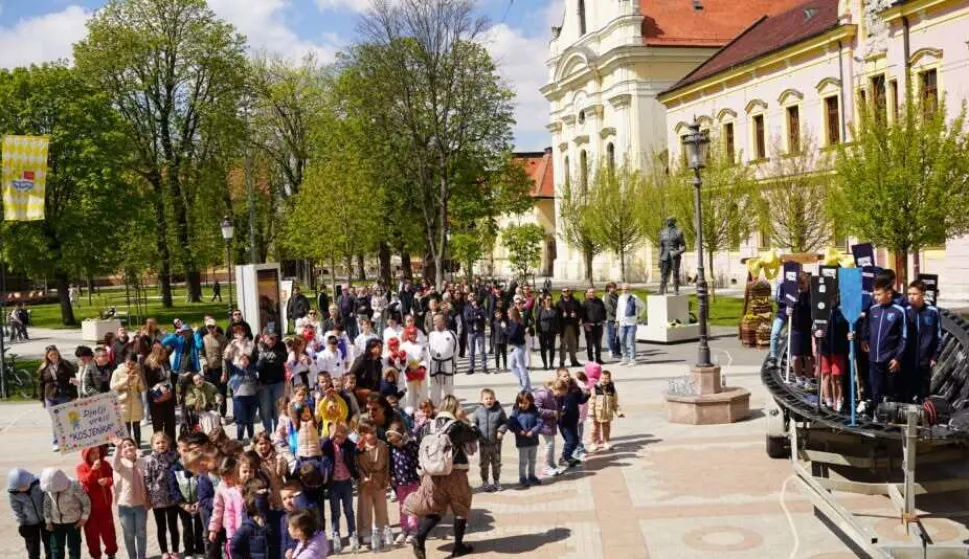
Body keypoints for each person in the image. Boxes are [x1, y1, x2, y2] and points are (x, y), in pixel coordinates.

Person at [404, 395, 480, 559]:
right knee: (461, 507)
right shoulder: (456, 426)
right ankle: (458, 546)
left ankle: (420, 537)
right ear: (455, 408)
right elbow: (476, 434)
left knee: (436, 508)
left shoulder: (427, 426)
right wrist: (467, 420)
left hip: (431, 474)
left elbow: (419, 444)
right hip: (454, 472)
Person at [859, 277, 908, 414]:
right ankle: (876, 415)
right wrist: (863, 339)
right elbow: (866, 326)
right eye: (875, 294)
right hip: (874, 359)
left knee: (892, 391)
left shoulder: (899, 311)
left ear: (889, 294)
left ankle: (892, 419)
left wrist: (898, 358)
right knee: (876, 390)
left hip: (890, 360)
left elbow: (904, 337)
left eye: (879, 294)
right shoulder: (873, 309)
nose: (876, 297)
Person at [355, 419, 392, 552]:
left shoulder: (382, 445)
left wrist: (387, 479)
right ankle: (365, 532)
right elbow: (356, 465)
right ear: (363, 434)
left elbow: (387, 464)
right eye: (370, 433)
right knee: (365, 507)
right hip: (365, 481)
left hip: (379, 479)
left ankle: (381, 530)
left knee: (381, 506)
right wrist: (362, 477)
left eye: (375, 431)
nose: (374, 435)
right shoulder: (359, 448)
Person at [111, 437, 150, 559]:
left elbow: (148, 480)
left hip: (141, 505)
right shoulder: (120, 463)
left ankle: (142, 556)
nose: (128, 447)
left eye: (130, 445)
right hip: (125, 506)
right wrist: (117, 447)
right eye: (124, 446)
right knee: (128, 534)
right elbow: (114, 462)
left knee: (141, 532)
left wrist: (148, 500)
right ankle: (132, 556)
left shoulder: (142, 462)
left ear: (135, 446)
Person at [75, 447, 118, 559]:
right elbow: (84, 481)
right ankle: (95, 555)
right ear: (86, 454)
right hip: (89, 510)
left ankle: (111, 553)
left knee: (109, 533)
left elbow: (112, 478)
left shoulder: (105, 464)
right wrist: (93, 470)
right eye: (92, 453)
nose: (96, 455)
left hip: (105, 507)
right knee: (92, 535)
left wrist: (107, 481)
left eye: (97, 452)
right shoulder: (81, 468)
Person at [322, 423, 358, 553]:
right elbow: (322, 445)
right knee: (335, 512)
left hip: (346, 482)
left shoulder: (347, 445)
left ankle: (352, 534)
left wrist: (346, 434)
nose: (340, 438)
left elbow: (356, 448)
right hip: (334, 484)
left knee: (349, 510)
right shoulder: (328, 446)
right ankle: (336, 534)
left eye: (342, 435)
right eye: (336, 435)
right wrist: (331, 436)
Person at [144, 432, 181, 559]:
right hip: (157, 499)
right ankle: (164, 551)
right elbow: (147, 479)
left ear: (168, 443)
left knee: (173, 525)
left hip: (172, 497)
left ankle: (175, 550)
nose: (161, 445)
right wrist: (151, 493)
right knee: (161, 527)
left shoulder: (174, 456)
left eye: (163, 442)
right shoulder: (148, 460)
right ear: (152, 445)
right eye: (158, 442)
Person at [40, 467, 90, 559]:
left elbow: (86, 501)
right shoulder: (48, 487)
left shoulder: (74, 485)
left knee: (74, 548)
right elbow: (46, 504)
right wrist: (48, 521)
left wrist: (84, 518)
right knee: (56, 549)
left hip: (73, 523)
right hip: (56, 523)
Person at [905, 280, 942, 403]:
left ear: (923, 294)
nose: (911, 296)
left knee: (923, 392)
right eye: (909, 293)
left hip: (925, 360)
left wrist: (934, 357)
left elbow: (938, 336)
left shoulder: (932, 312)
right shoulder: (905, 312)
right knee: (907, 391)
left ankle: (923, 416)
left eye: (914, 294)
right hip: (908, 359)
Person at [168, 438, 205, 559]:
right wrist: (182, 504)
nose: (187, 453)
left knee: (200, 527)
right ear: (178, 450)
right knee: (187, 528)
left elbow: (203, 484)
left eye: (189, 450)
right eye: (184, 450)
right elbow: (173, 487)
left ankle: (200, 550)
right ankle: (189, 552)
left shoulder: (198, 465)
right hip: (184, 504)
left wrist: (200, 500)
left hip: (198, 503)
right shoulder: (174, 467)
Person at [386, 423, 420, 545]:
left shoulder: (411, 446)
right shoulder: (392, 449)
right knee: (402, 507)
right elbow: (391, 464)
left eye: (396, 441)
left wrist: (407, 444)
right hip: (400, 483)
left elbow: (417, 459)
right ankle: (404, 529)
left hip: (412, 481)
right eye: (392, 442)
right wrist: (391, 476)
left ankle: (413, 530)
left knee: (413, 507)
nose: (395, 444)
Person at [39, 345, 78, 451]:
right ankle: (56, 442)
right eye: (51, 355)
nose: (53, 356)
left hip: (64, 395)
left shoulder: (65, 365)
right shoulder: (44, 367)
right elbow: (41, 384)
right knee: (56, 421)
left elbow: (73, 380)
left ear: (58, 354)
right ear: (47, 356)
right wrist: (42, 399)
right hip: (50, 396)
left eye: (55, 354)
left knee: (65, 419)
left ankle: (70, 440)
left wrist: (74, 395)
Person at [815, 294, 849, 412]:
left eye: (832, 300)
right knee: (826, 376)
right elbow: (814, 328)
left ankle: (838, 400)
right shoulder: (819, 313)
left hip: (837, 351)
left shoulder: (840, 313)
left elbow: (847, 329)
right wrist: (816, 333)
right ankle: (828, 400)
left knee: (837, 377)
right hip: (824, 350)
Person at [8, 468, 51, 559]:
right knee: (32, 548)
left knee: (49, 543)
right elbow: (16, 509)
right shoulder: (14, 493)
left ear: (29, 480)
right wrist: (21, 523)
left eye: (24, 486)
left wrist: (49, 516)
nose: (22, 489)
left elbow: (47, 499)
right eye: (19, 488)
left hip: (45, 519)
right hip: (29, 523)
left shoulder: (39, 484)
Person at [472, 388, 507, 492]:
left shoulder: (499, 410)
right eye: (486, 398)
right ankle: (485, 482)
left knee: (496, 463)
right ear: (482, 400)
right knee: (484, 464)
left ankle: (496, 481)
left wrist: (501, 431)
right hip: (483, 443)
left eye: (491, 398)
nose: (489, 400)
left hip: (496, 443)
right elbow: (474, 423)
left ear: (494, 399)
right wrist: (475, 432)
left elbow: (505, 422)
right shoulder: (478, 411)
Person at [208, 456, 244, 558]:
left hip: (245, 527)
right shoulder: (221, 486)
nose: (226, 480)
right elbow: (217, 509)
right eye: (223, 477)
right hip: (230, 529)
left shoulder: (243, 486)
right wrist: (214, 529)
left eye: (229, 476)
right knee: (231, 552)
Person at [508, 390, 543, 488]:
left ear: (530, 402)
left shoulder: (535, 411)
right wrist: (519, 431)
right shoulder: (516, 412)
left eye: (525, 403)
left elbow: (540, 423)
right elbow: (510, 424)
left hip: (533, 441)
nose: (522, 405)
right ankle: (522, 477)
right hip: (522, 442)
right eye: (520, 403)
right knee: (523, 461)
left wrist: (533, 431)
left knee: (533, 460)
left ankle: (532, 475)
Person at [228, 478, 271, 559]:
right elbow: (233, 546)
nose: (265, 497)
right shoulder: (248, 526)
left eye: (266, 494)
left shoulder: (272, 519)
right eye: (262, 494)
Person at [144, 343, 178, 444]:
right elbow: (149, 383)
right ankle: (158, 444)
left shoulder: (165, 361)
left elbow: (170, 376)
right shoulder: (149, 364)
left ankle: (171, 444)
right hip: (156, 395)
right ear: (158, 352)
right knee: (158, 423)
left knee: (170, 422)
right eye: (163, 352)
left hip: (169, 394)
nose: (165, 354)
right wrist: (160, 389)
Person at [255, 329, 287, 433]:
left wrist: (273, 351)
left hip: (278, 382)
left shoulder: (280, 345)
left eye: (275, 338)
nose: (273, 340)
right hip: (264, 383)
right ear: (264, 337)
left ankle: (279, 432)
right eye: (270, 338)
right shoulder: (258, 347)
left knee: (278, 408)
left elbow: (284, 359)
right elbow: (256, 366)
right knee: (265, 410)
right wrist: (262, 355)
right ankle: (267, 432)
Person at [553, 377, 590, 468]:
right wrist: (560, 414)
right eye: (563, 376)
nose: (566, 378)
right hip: (564, 423)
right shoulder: (558, 395)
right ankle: (564, 458)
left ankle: (568, 456)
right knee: (570, 441)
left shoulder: (574, 390)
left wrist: (586, 395)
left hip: (573, 420)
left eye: (567, 375)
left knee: (575, 440)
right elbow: (555, 408)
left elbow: (580, 400)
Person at [111, 353, 146, 447]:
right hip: (123, 402)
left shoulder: (137, 371)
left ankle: (138, 446)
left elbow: (142, 389)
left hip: (135, 402)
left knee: (137, 425)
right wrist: (125, 380)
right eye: (128, 363)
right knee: (126, 427)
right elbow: (113, 387)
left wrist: (138, 380)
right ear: (124, 362)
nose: (130, 366)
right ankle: (127, 446)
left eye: (133, 364)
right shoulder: (117, 372)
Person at [788, 272, 815, 389]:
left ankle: (808, 380)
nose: (802, 286)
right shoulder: (793, 295)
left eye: (804, 283)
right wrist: (788, 310)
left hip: (808, 328)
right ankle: (799, 379)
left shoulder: (811, 295)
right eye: (800, 284)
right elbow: (786, 305)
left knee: (808, 356)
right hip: (796, 328)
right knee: (796, 356)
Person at [200, 318, 229, 419]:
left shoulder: (223, 339)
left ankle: (222, 415)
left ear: (216, 327)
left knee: (222, 392)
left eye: (213, 327)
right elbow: (201, 354)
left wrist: (224, 373)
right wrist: (204, 364)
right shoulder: (204, 339)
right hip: (209, 370)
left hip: (220, 369)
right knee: (210, 393)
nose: (211, 329)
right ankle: (213, 413)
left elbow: (225, 357)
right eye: (208, 327)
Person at [427, 314, 458, 406]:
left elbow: (456, 349)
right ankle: (435, 406)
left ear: (443, 321)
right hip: (434, 364)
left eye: (436, 320)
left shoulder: (451, 334)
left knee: (448, 387)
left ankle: (449, 407)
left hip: (447, 363)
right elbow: (428, 350)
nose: (434, 323)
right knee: (434, 387)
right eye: (434, 321)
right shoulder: (431, 334)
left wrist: (455, 363)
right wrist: (429, 364)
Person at [533, 379, 561, 478]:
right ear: (555, 388)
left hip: (550, 423)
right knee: (549, 445)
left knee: (551, 444)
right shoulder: (542, 394)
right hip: (544, 423)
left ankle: (551, 464)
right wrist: (552, 413)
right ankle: (545, 468)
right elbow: (537, 410)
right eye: (559, 393)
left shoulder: (551, 394)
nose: (559, 395)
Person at [589, 369, 623, 451]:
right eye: (602, 378)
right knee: (594, 429)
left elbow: (614, 402)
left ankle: (606, 442)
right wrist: (591, 412)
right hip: (596, 413)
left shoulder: (611, 389)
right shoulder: (595, 388)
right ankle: (593, 443)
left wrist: (619, 412)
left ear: (610, 379)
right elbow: (591, 401)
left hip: (607, 413)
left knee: (606, 428)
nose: (604, 380)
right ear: (599, 379)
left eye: (607, 378)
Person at [615, 284, 644, 366]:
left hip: (631, 323)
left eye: (626, 289)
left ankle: (633, 359)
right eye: (623, 289)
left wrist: (639, 316)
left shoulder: (634, 297)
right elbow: (618, 310)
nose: (625, 290)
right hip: (622, 323)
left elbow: (643, 306)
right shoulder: (620, 298)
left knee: (630, 341)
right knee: (622, 341)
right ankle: (625, 357)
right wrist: (617, 320)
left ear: (629, 289)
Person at [555, 288, 582, 368]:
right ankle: (562, 361)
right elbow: (556, 316)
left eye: (567, 291)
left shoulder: (575, 301)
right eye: (564, 291)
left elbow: (580, 312)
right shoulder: (558, 303)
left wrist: (576, 315)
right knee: (562, 345)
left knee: (573, 344)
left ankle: (573, 360)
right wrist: (561, 316)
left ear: (570, 292)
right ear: (562, 293)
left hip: (573, 326)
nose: (566, 292)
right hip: (563, 327)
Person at [505, 308, 531, 391]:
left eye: (509, 313)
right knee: (512, 365)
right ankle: (523, 382)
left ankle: (526, 387)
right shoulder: (513, 322)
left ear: (513, 314)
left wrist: (504, 328)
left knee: (521, 366)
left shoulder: (517, 323)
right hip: (516, 346)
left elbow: (512, 335)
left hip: (520, 347)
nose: (508, 315)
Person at [582, 288, 607, 365]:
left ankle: (598, 359)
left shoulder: (600, 301)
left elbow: (604, 311)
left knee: (598, 344)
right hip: (589, 326)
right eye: (590, 292)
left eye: (593, 292)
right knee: (589, 344)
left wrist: (603, 320)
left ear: (595, 293)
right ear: (588, 293)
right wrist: (585, 324)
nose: (592, 293)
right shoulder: (585, 303)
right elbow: (583, 315)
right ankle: (590, 359)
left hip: (599, 326)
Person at [464, 297, 488, 374]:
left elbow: (484, 315)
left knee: (482, 350)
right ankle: (471, 367)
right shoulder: (467, 308)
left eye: (475, 301)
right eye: (473, 301)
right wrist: (476, 317)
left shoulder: (481, 308)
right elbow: (467, 319)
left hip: (480, 331)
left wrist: (477, 311)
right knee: (471, 351)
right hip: (471, 332)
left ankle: (484, 367)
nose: (474, 302)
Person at [536, 295, 559, 371]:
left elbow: (557, 321)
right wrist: (538, 331)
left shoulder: (554, 309)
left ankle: (551, 364)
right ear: (544, 300)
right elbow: (537, 321)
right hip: (543, 332)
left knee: (552, 348)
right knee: (543, 348)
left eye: (550, 299)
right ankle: (545, 364)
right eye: (548, 299)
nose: (549, 300)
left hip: (552, 331)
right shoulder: (540, 309)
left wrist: (558, 331)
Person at [603, 283, 620, 360]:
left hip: (618, 318)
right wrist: (617, 314)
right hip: (611, 319)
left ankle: (617, 351)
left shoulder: (616, 295)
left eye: (615, 287)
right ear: (608, 288)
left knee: (618, 336)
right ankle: (611, 350)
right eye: (612, 287)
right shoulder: (607, 296)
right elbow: (609, 308)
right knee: (612, 335)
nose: (614, 289)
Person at [491, 300, 508, 371]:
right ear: (495, 315)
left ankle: (505, 366)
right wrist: (493, 341)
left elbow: (506, 331)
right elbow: (493, 333)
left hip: (503, 340)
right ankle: (497, 367)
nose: (498, 315)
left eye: (499, 314)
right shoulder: (494, 323)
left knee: (504, 353)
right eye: (496, 314)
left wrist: (505, 328)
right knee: (497, 354)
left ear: (501, 314)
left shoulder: (504, 322)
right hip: (497, 340)